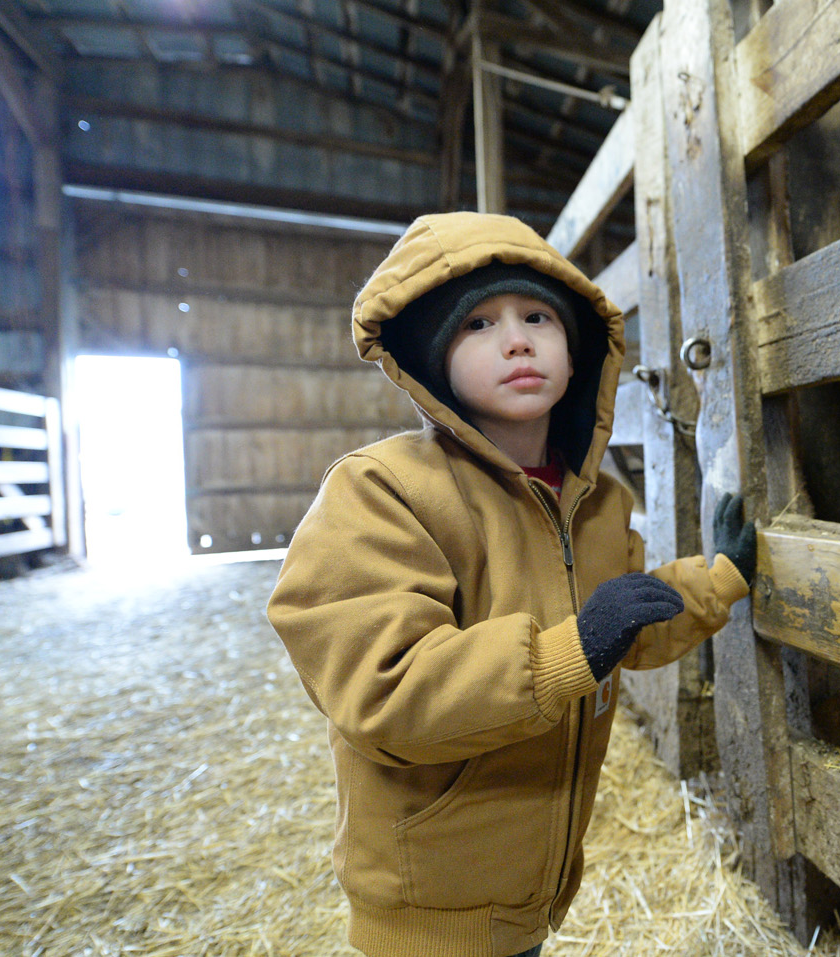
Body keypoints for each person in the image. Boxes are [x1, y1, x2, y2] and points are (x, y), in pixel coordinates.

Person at [267, 212, 756, 957]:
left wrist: (720, 578)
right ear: (433, 359)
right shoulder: (381, 491)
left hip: (529, 889)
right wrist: (569, 651)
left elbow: (626, 621)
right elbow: (386, 686)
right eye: (478, 324)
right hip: (429, 903)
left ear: (576, 349)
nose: (518, 338)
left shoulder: (593, 499)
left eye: (537, 316)